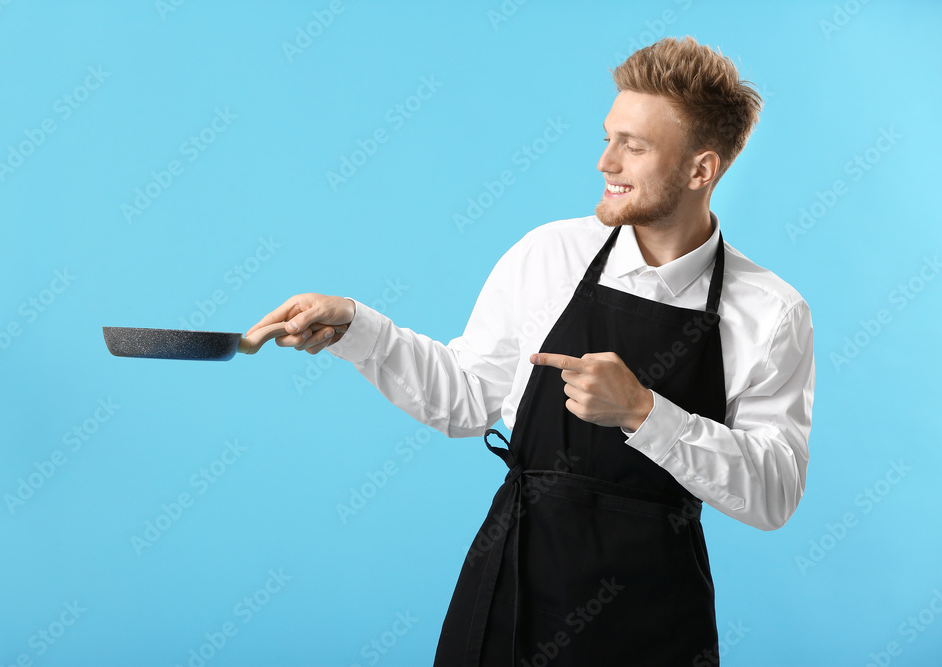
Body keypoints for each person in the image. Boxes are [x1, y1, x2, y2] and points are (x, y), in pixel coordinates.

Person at [248, 35, 814, 665]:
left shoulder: (770, 311)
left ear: (700, 170)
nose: (605, 162)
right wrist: (356, 327)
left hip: (655, 619)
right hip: (513, 594)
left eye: (634, 146)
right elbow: (465, 399)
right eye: (608, 138)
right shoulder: (549, 254)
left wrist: (644, 412)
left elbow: (774, 493)